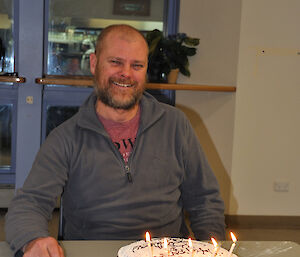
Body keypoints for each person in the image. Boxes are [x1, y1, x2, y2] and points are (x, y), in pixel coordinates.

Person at [5, 24, 225, 257]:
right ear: (94, 64)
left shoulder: (175, 125)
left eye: (137, 65)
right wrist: (33, 239)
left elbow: (205, 200)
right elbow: (30, 203)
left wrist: (212, 248)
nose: (126, 73)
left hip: (165, 252)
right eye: (116, 62)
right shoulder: (65, 138)